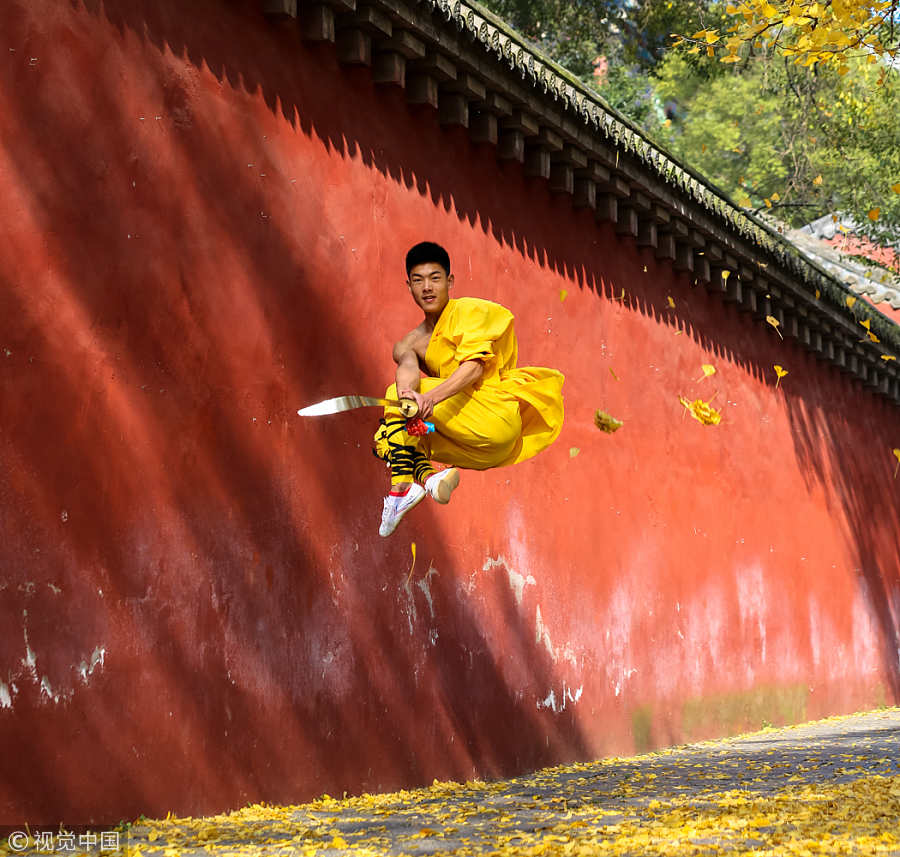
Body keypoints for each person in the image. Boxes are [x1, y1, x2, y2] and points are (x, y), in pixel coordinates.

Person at [374, 241, 565, 536]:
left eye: (435, 278)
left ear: (450, 282)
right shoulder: (408, 343)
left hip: (494, 417)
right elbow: (408, 370)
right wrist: (408, 400)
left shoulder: (468, 310)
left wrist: (427, 398)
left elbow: (474, 367)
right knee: (389, 433)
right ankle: (430, 480)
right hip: (472, 441)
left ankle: (401, 488)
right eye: (418, 280)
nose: (427, 287)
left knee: (395, 403)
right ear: (409, 286)